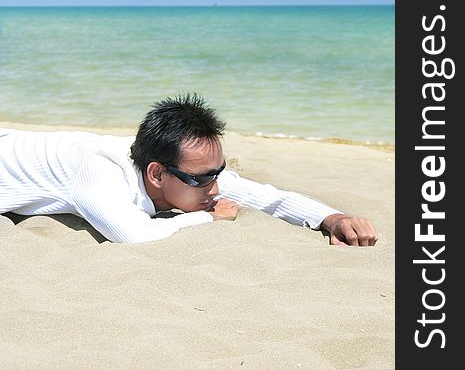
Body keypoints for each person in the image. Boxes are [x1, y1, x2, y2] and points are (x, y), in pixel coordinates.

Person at [0, 93, 377, 246]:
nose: (215, 187)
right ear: (156, 175)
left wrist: (331, 217)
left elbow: (265, 196)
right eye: (201, 179)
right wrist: (209, 221)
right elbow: (135, 237)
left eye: (219, 172)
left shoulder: (189, 171)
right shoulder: (98, 172)